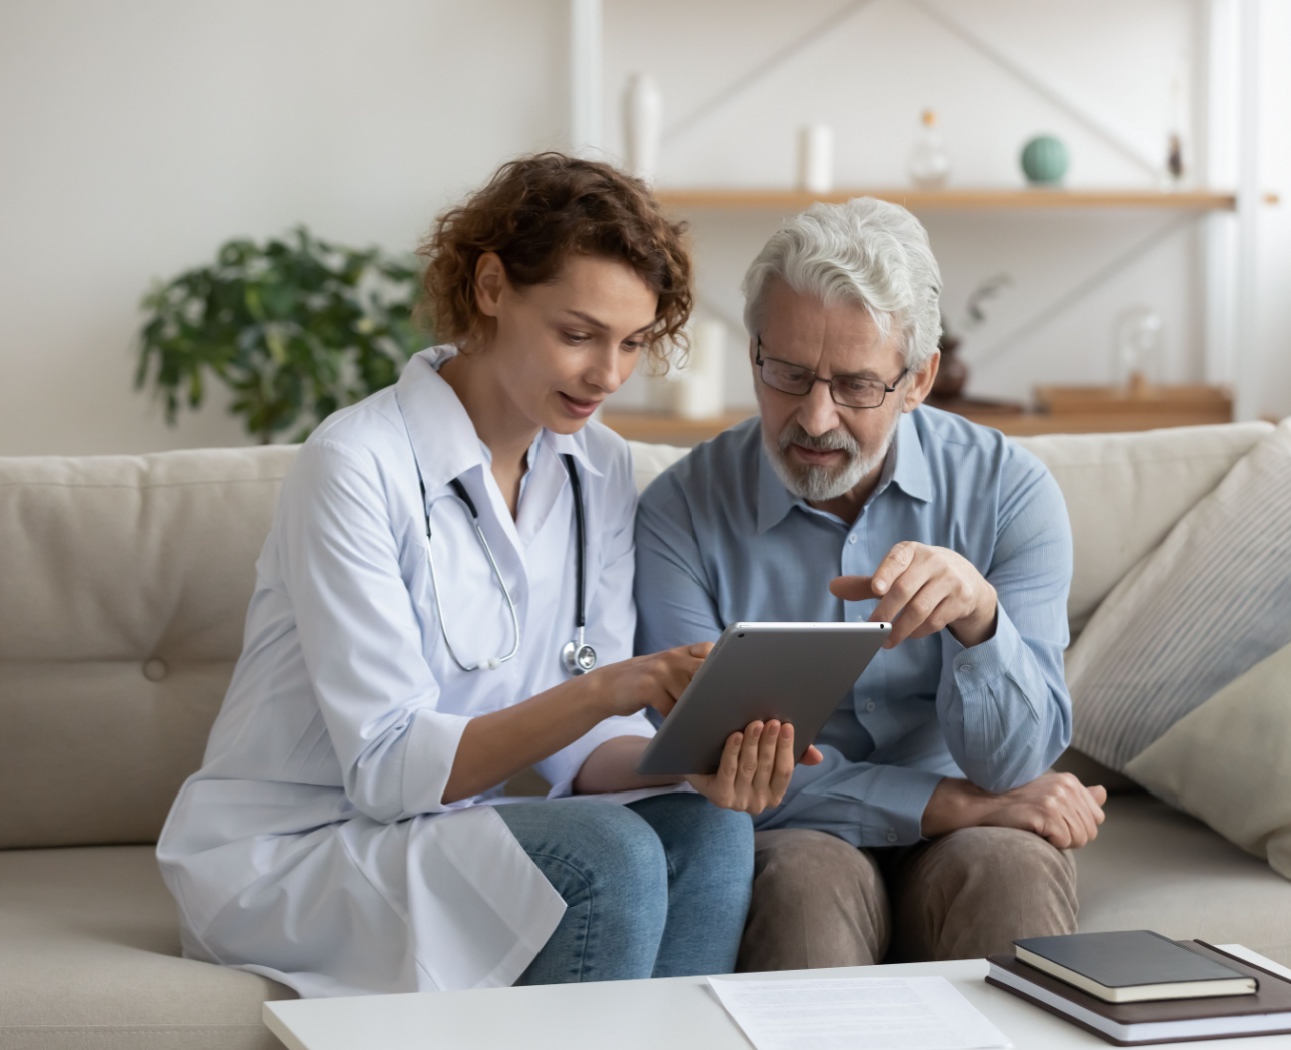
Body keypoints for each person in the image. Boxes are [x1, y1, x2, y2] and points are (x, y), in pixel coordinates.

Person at [157, 153, 817, 998]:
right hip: (303, 846)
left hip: (451, 830)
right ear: (493, 286)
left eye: (631, 344)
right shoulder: (355, 465)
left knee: (710, 832)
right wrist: (620, 684)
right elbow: (391, 772)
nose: (607, 377)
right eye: (577, 335)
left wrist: (691, 760)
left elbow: (577, 755)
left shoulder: (600, 468)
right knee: (606, 855)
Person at [634, 198, 1108, 973]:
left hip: (974, 831)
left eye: (856, 386)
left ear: (918, 378)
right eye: (787, 373)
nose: (815, 418)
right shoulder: (679, 512)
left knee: (1011, 868)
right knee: (802, 890)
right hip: (795, 836)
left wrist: (981, 620)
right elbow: (701, 769)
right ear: (754, 350)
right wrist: (943, 803)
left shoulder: (1009, 491)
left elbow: (1016, 763)